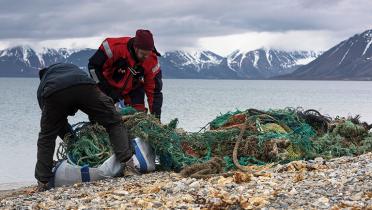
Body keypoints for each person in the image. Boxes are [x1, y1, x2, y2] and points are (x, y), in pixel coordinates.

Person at [35, 63, 137, 192]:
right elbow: (96, 105)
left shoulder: (44, 85)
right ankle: (129, 166)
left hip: (54, 93)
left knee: (47, 137)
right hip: (83, 84)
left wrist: (73, 141)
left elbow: (55, 124)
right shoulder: (72, 68)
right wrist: (101, 117)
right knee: (113, 121)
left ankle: (42, 183)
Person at [88, 29, 163, 120]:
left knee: (137, 119)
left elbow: (154, 92)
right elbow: (93, 68)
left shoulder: (151, 60)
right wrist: (107, 92)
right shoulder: (113, 47)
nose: (146, 57)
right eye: (143, 54)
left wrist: (156, 119)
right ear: (135, 48)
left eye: (148, 54)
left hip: (133, 92)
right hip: (107, 88)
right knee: (104, 119)